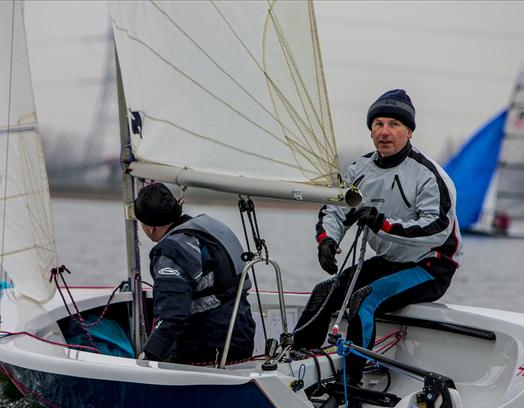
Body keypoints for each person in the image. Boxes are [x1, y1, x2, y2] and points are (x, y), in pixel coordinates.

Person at [294, 89, 463, 388]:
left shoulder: (428, 175)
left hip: (431, 266)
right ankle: (296, 364)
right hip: (389, 262)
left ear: (409, 132)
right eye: (378, 124)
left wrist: (384, 224)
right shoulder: (359, 169)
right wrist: (327, 242)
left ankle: (350, 383)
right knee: (324, 292)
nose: (385, 132)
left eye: (394, 125)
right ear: (371, 131)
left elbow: (436, 228)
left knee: (363, 300)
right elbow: (334, 211)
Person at [134, 182, 256, 365]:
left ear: (150, 227)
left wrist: (147, 357)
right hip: (241, 336)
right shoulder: (210, 227)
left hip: (208, 347)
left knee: (162, 355)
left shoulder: (171, 252)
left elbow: (172, 318)